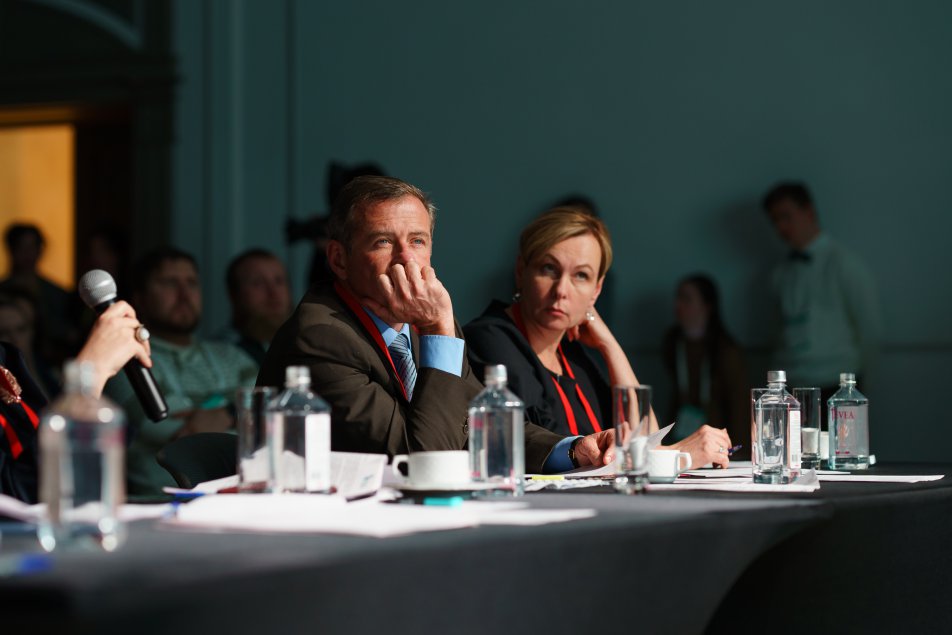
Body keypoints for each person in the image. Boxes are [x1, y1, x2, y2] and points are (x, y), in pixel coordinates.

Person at [259, 176, 615, 472]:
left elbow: (479, 421)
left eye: (417, 241)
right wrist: (437, 329)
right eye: (383, 242)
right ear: (339, 259)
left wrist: (572, 450)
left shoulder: (424, 320)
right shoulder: (320, 337)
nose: (406, 258)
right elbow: (422, 462)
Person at [464, 208, 732, 468]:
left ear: (596, 289)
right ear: (521, 271)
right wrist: (678, 455)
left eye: (580, 275)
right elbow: (543, 442)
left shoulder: (572, 353)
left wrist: (609, 345)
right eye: (549, 269)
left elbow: (644, 433)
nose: (561, 290)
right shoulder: (490, 338)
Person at [104, 248, 258, 496]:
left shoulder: (232, 355)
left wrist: (227, 413)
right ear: (140, 298)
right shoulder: (126, 362)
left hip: (246, 497)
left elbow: (267, 413)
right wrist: (237, 411)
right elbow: (173, 428)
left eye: (192, 283)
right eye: (169, 283)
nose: (185, 294)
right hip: (163, 504)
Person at [0, 301, 152, 503]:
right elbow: (21, 494)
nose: (15, 337)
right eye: (4, 331)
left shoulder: (9, 360)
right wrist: (89, 374)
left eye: (21, 329)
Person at [762, 182, 882, 401]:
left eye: (786, 217)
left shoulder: (844, 263)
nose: (781, 227)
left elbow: (870, 328)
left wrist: (864, 385)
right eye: (775, 221)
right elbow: (778, 332)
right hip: (791, 384)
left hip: (835, 382)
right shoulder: (780, 274)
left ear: (808, 212)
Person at [661, 274, 748, 456]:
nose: (678, 305)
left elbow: (739, 407)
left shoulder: (726, 351)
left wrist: (738, 452)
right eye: (678, 298)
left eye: (686, 299)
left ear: (707, 306)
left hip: (719, 441)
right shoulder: (673, 343)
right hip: (681, 438)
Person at [217, 249, 292, 365]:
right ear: (234, 294)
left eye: (279, 281)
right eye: (258, 283)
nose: (274, 293)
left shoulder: (305, 347)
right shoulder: (218, 355)